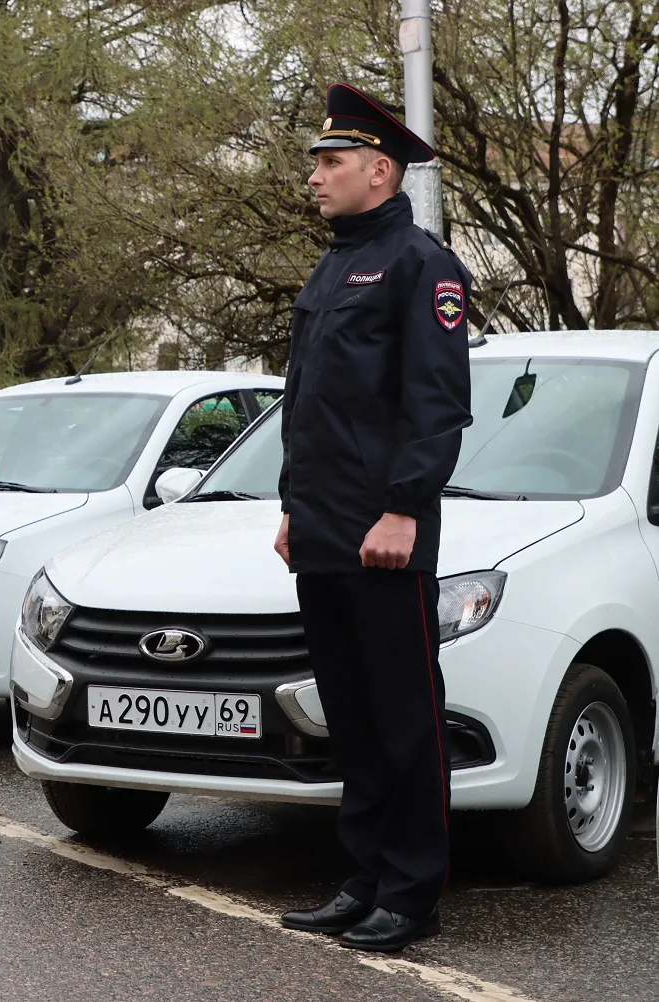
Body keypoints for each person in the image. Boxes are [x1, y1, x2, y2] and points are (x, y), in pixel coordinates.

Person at [274, 84, 473, 952]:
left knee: (403, 719)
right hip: (323, 531)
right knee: (351, 719)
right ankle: (363, 878)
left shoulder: (422, 265)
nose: (315, 176)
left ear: (380, 171)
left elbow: (436, 405)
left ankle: (411, 891)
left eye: (332, 161)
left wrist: (403, 509)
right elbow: (306, 405)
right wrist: (292, 506)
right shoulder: (332, 266)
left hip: (384, 536)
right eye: (317, 162)